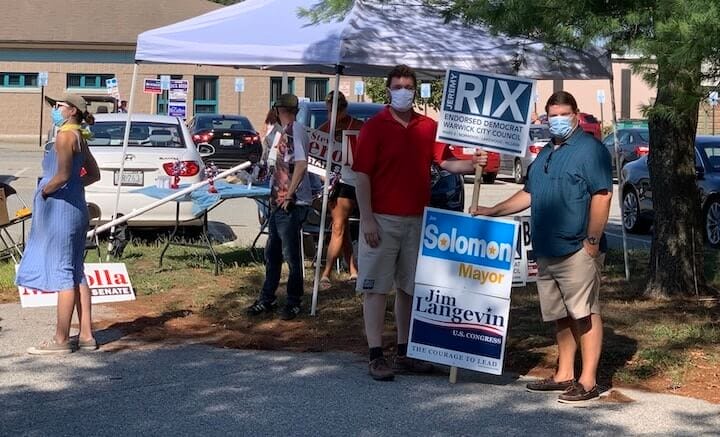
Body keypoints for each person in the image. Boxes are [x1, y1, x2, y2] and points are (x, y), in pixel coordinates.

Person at [471, 91, 613, 403]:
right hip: (547, 249)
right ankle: (564, 373)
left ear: (576, 114)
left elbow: (602, 195)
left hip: (577, 248)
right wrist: (491, 211)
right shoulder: (547, 152)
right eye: (552, 115)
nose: (558, 120)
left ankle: (588, 380)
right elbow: (529, 194)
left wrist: (591, 240)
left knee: (584, 313)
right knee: (559, 315)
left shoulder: (591, 150)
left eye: (564, 114)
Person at [353, 65, 487, 381]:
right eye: (397, 85)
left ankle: (404, 351)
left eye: (408, 86)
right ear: (388, 90)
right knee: (375, 289)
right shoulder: (374, 127)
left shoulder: (428, 126)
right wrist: (368, 218)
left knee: (409, 289)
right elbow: (361, 176)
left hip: (417, 220)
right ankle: (375, 354)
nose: (403, 90)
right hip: (382, 221)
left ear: (416, 90)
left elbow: (445, 161)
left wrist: (472, 163)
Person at [16, 94, 100, 354]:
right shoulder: (79, 136)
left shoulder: (65, 136)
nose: (54, 109)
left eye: (59, 106)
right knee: (76, 270)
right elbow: (93, 174)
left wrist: (45, 191)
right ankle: (86, 334)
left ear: (72, 110)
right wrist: (75, 186)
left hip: (60, 211)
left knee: (63, 271)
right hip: (76, 207)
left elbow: (62, 174)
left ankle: (61, 340)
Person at [246, 94, 312, 321]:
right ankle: (267, 298)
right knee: (272, 252)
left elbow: (302, 164)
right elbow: (271, 166)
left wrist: (290, 194)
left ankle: (294, 301)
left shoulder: (296, 131)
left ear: (280, 108)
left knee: (291, 254)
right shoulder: (278, 132)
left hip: (291, 203)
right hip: (277, 201)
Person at [318, 91, 363, 290]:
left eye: (336, 110)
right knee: (340, 227)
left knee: (339, 226)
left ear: (344, 109)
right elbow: (316, 155)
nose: (332, 115)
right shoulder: (325, 129)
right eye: (329, 111)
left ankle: (331, 272)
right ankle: (349, 271)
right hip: (335, 182)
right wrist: (323, 176)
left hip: (354, 181)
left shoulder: (358, 127)